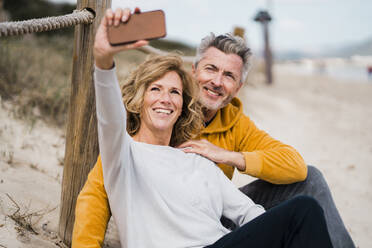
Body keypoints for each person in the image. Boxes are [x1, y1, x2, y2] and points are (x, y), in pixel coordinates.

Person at [72, 8, 354, 248]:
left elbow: (252, 210)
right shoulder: (124, 152)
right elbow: (107, 124)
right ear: (194, 72)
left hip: (218, 232)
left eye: (174, 93)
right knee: (301, 213)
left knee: (306, 201)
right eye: (155, 89)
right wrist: (103, 59)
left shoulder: (204, 159)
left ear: (183, 104)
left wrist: (226, 156)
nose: (165, 99)